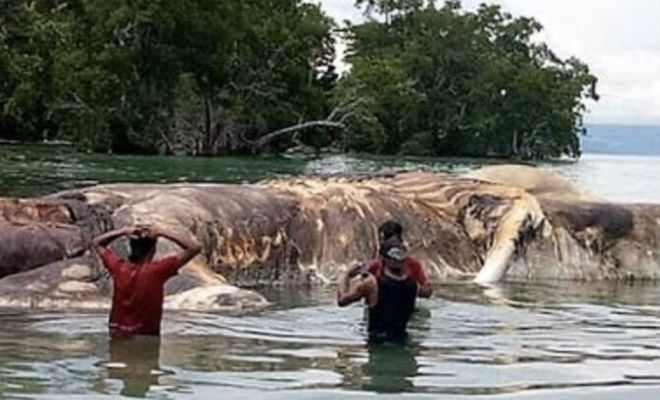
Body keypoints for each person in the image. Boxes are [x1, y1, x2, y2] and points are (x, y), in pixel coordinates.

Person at [91, 224, 201, 337]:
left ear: (131, 249)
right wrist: (162, 231)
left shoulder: (118, 267)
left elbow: (97, 243)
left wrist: (122, 231)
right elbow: (194, 248)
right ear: (153, 250)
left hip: (117, 333)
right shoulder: (158, 270)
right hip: (146, 335)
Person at [337, 240, 417, 343]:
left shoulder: (372, 283)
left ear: (381, 258)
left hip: (377, 343)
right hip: (402, 341)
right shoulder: (413, 284)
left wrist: (346, 274)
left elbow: (342, 300)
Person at [368, 221, 432, 298]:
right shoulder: (374, 265)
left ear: (401, 241)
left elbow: (427, 291)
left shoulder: (413, 264)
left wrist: (412, 289)